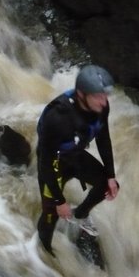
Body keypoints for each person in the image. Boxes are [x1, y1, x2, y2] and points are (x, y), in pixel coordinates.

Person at [36, 65, 119, 256]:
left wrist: (111, 175)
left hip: (75, 155)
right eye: (98, 96)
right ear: (82, 94)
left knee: (106, 185)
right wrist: (60, 201)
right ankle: (45, 251)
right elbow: (45, 164)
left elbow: (103, 138)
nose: (103, 101)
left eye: (105, 95)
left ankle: (80, 215)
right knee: (50, 215)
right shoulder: (57, 118)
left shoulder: (101, 108)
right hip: (54, 163)